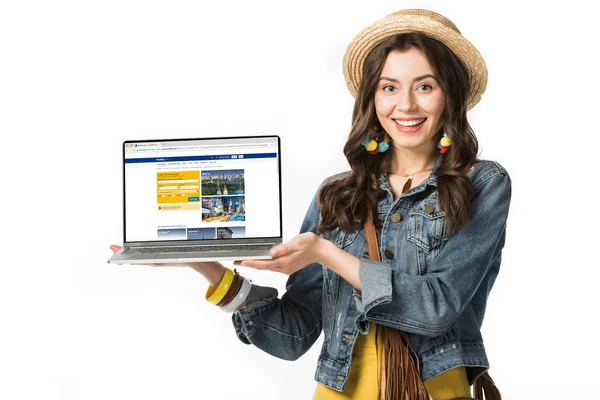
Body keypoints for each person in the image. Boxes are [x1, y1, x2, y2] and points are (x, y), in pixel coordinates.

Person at [111, 9, 511, 400]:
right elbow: (293, 335)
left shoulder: (481, 184)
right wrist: (204, 263)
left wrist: (325, 253)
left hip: (431, 391)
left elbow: (435, 307)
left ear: (450, 95)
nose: (405, 105)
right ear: (372, 97)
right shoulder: (339, 194)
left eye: (425, 86)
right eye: (389, 87)